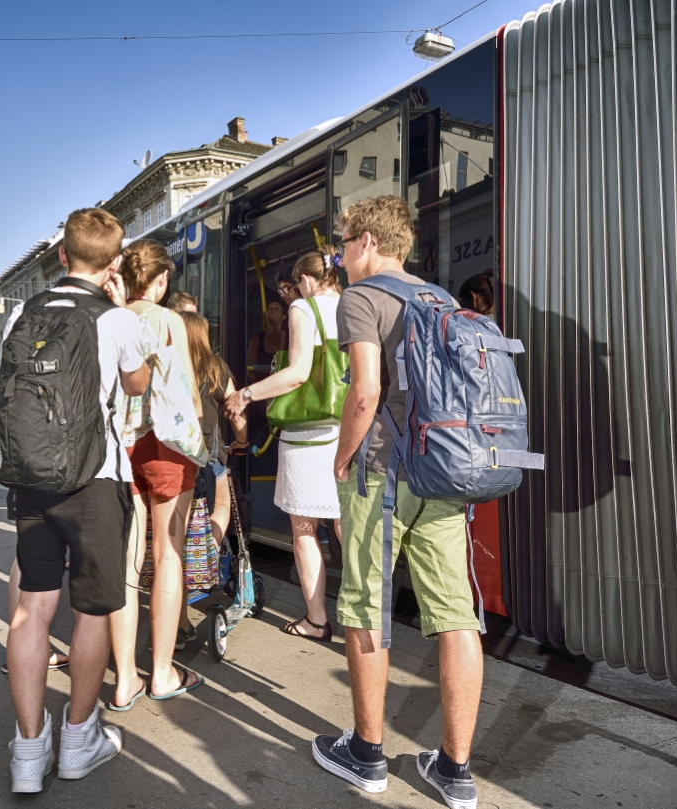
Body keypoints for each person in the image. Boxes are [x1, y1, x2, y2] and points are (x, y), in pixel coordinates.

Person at [314, 196, 482, 809]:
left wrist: (340, 462)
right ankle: (456, 770)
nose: (338, 255)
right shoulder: (439, 298)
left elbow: (365, 391)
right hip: (444, 473)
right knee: (456, 614)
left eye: (341, 244)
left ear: (366, 242)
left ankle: (366, 755)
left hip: (383, 471)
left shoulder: (360, 298)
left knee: (364, 605)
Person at [0, 208, 150, 793]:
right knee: (92, 609)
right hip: (96, 479)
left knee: (32, 608)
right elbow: (137, 383)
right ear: (113, 264)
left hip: (32, 476)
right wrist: (119, 303)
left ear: (60, 255)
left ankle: (27, 753)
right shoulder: (114, 319)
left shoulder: (23, 310)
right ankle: (79, 739)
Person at [106, 238, 205, 714]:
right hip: (166, 445)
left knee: (127, 560)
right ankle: (162, 672)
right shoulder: (169, 321)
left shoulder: (110, 318)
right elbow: (187, 391)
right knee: (168, 555)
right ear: (161, 280)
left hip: (120, 447)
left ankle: (125, 679)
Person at [224, 249, 342, 642]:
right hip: (346, 432)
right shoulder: (352, 304)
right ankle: (369, 617)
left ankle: (317, 619)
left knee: (304, 529)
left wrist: (246, 393)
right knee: (348, 527)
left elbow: (297, 374)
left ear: (306, 281)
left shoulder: (304, 310)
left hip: (308, 436)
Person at [176, 310, 248, 638]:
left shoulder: (167, 361)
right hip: (209, 456)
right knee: (221, 508)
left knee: (175, 534)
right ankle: (207, 557)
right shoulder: (215, 366)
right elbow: (235, 411)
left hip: (173, 457)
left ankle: (178, 617)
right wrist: (242, 440)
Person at [247, 300, 287, 381]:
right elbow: (251, 372)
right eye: (268, 308)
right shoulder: (256, 340)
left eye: (276, 308)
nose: (271, 310)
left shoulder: (291, 338)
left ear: (284, 317)